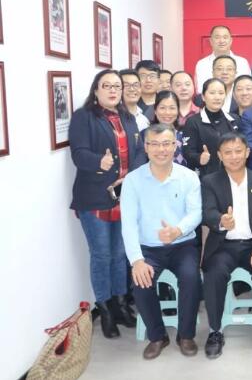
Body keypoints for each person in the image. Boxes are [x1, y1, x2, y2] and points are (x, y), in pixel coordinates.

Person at [69, 69, 145, 339]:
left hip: (124, 195)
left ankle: (121, 304)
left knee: (120, 253)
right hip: (94, 197)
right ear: (96, 90)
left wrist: (129, 176)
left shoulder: (128, 117)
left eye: (117, 86)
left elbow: (139, 151)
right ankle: (106, 310)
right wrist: (98, 162)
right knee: (101, 255)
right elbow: (79, 153)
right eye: (107, 86)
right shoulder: (84, 117)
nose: (113, 91)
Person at [120, 123, 202, 360]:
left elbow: (195, 213)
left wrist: (178, 230)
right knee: (141, 281)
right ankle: (157, 336)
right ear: (146, 147)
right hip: (148, 248)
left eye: (166, 144)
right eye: (154, 144)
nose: (161, 149)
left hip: (183, 245)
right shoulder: (133, 180)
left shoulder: (188, 177)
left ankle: (186, 335)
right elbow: (128, 224)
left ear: (175, 145)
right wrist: (137, 260)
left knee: (191, 278)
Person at [201, 132, 252, 358]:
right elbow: (207, 212)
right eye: (228, 152)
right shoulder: (210, 182)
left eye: (238, 151)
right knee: (214, 273)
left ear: (247, 153)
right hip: (223, 246)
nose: (234, 156)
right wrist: (221, 221)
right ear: (219, 155)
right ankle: (215, 331)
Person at [183, 78, 241, 176]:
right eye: (212, 93)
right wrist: (199, 158)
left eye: (221, 93)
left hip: (233, 175)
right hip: (206, 177)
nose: (217, 97)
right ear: (203, 97)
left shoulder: (235, 119)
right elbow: (188, 152)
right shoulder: (193, 122)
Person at [195, 25, 251, 90]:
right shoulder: (202, 64)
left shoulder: (242, 62)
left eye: (225, 37)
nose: (221, 41)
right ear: (211, 41)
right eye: (217, 37)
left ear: (231, 41)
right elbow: (201, 90)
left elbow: (247, 88)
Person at [151, 90, 187, 167]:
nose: (167, 112)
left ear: (178, 110)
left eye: (172, 108)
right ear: (155, 110)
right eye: (162, 108)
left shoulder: (185, 134)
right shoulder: (146, 135)